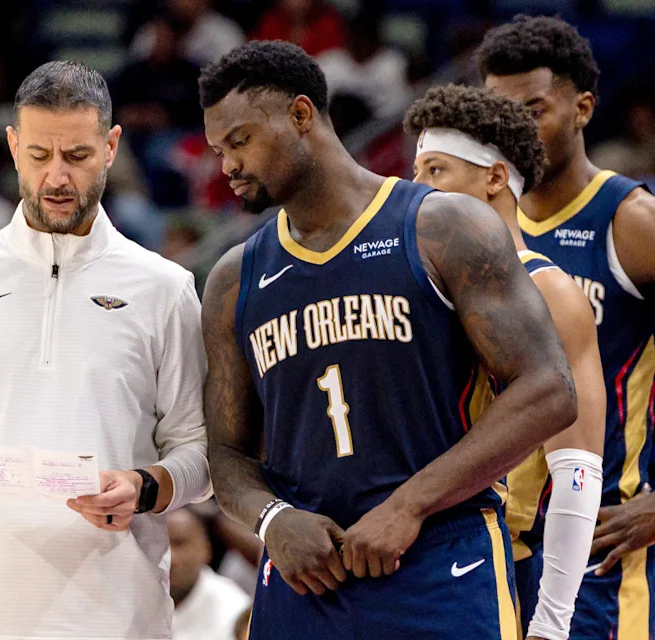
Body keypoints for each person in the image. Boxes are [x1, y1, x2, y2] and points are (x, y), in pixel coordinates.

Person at [199, 41, 577, 640]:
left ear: (301, 115)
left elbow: (549, 390)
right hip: (306, 575)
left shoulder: (442, 226)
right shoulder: (232, 280)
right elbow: (226, 454)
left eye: (240, 140)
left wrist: (410, 505)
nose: (229, 166)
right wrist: (272, 519)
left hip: (439, 559)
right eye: (220, 150)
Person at [0, 60, 210, 640]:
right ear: (12, 145)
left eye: (76, 156)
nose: (56, 177)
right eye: (38, 155)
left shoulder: (164, 289)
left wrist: (146, 486)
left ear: (110, 147)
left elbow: (199, 453)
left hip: (116, 617)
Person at [404, 83, 606, 640]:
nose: (415, 188)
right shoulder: (416, 284)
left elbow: (577, 471)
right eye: (415, 171)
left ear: (494, 178)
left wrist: (552, 622)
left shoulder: (550, 290)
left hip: (500, 560)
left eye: (435, 170)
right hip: (405, 556)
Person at [478, 16, 655, 638]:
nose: (512, 133)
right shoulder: (475, 231)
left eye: (532, 111)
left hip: (599, 541)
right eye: (498, 116)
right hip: (494, 541)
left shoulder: (631, 222)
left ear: (582, 108)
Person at [169, 508, 251, 640]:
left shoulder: (233, 610)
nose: (169, 558)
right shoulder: (135, 596)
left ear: (206, 548)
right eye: (159, 546)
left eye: (179, 543)